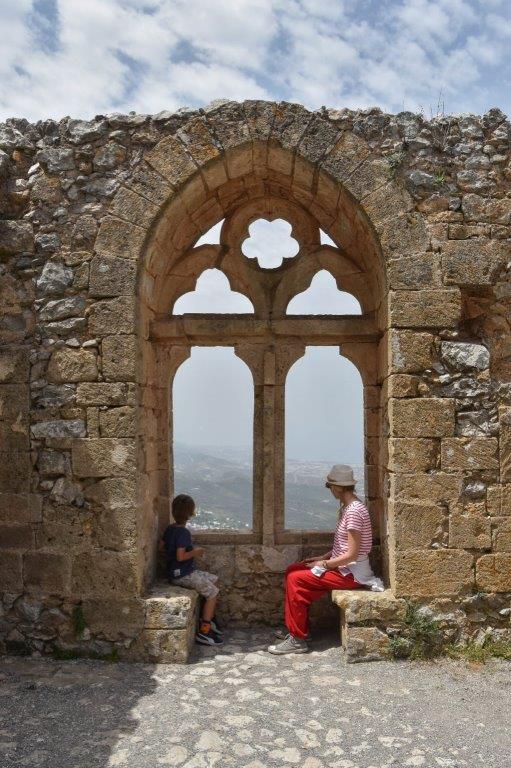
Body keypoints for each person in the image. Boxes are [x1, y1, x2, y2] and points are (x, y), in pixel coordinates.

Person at [268, 464, 382, 655]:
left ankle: (298, 639)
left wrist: (324, 564)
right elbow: (344, 547)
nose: (330, 491)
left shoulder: (353, 511)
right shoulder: (350, 507)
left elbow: (352, 555)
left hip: (351, 574)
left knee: (295, 579)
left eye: (330, 487)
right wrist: (324, 557)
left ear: (337, 487)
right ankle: (297, 629)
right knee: (294, 570)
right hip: (344, 569)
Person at [162, 493, 223, 646]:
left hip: (176, 572)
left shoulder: (170, 529)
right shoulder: (183, 533)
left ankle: (208, 616)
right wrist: (196, 552)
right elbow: (181, 556)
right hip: (183, 574)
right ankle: (205, 630)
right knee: (213, 593)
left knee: (215, 580)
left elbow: (160, 546)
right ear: (190, 513)